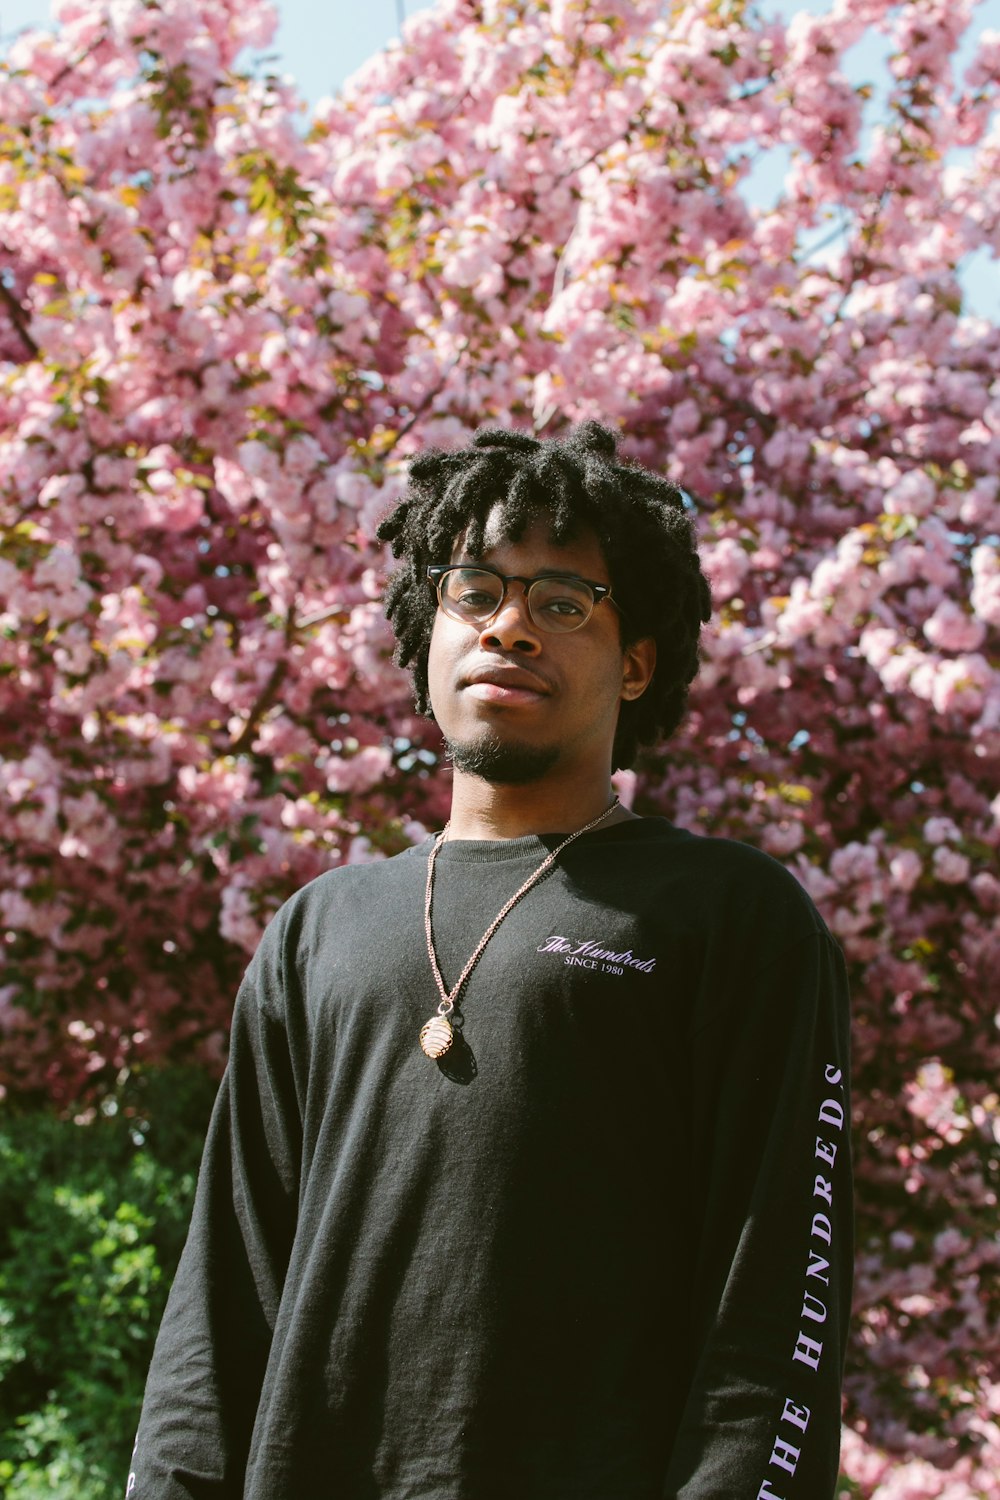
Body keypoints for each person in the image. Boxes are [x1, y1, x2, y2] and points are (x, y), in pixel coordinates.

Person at [128, 421, 853, 1499]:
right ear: (428, 633)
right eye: (476, 592)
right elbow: (225, 1289)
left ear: (638, 663)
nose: (510, 628)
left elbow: (775, 1291)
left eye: (563, 604)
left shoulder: (728, 915)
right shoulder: (318, 927)